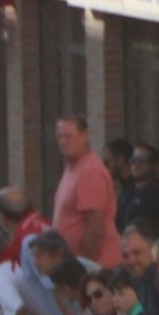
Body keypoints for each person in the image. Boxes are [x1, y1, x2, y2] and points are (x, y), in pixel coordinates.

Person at [53, 114, 120, 268]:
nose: (62, 142)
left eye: (68, 136)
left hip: (96, 267)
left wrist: (82, 265)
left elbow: (95, 227)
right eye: (59, 137)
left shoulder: (90, 171)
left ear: (85, 135)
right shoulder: (72, 167)